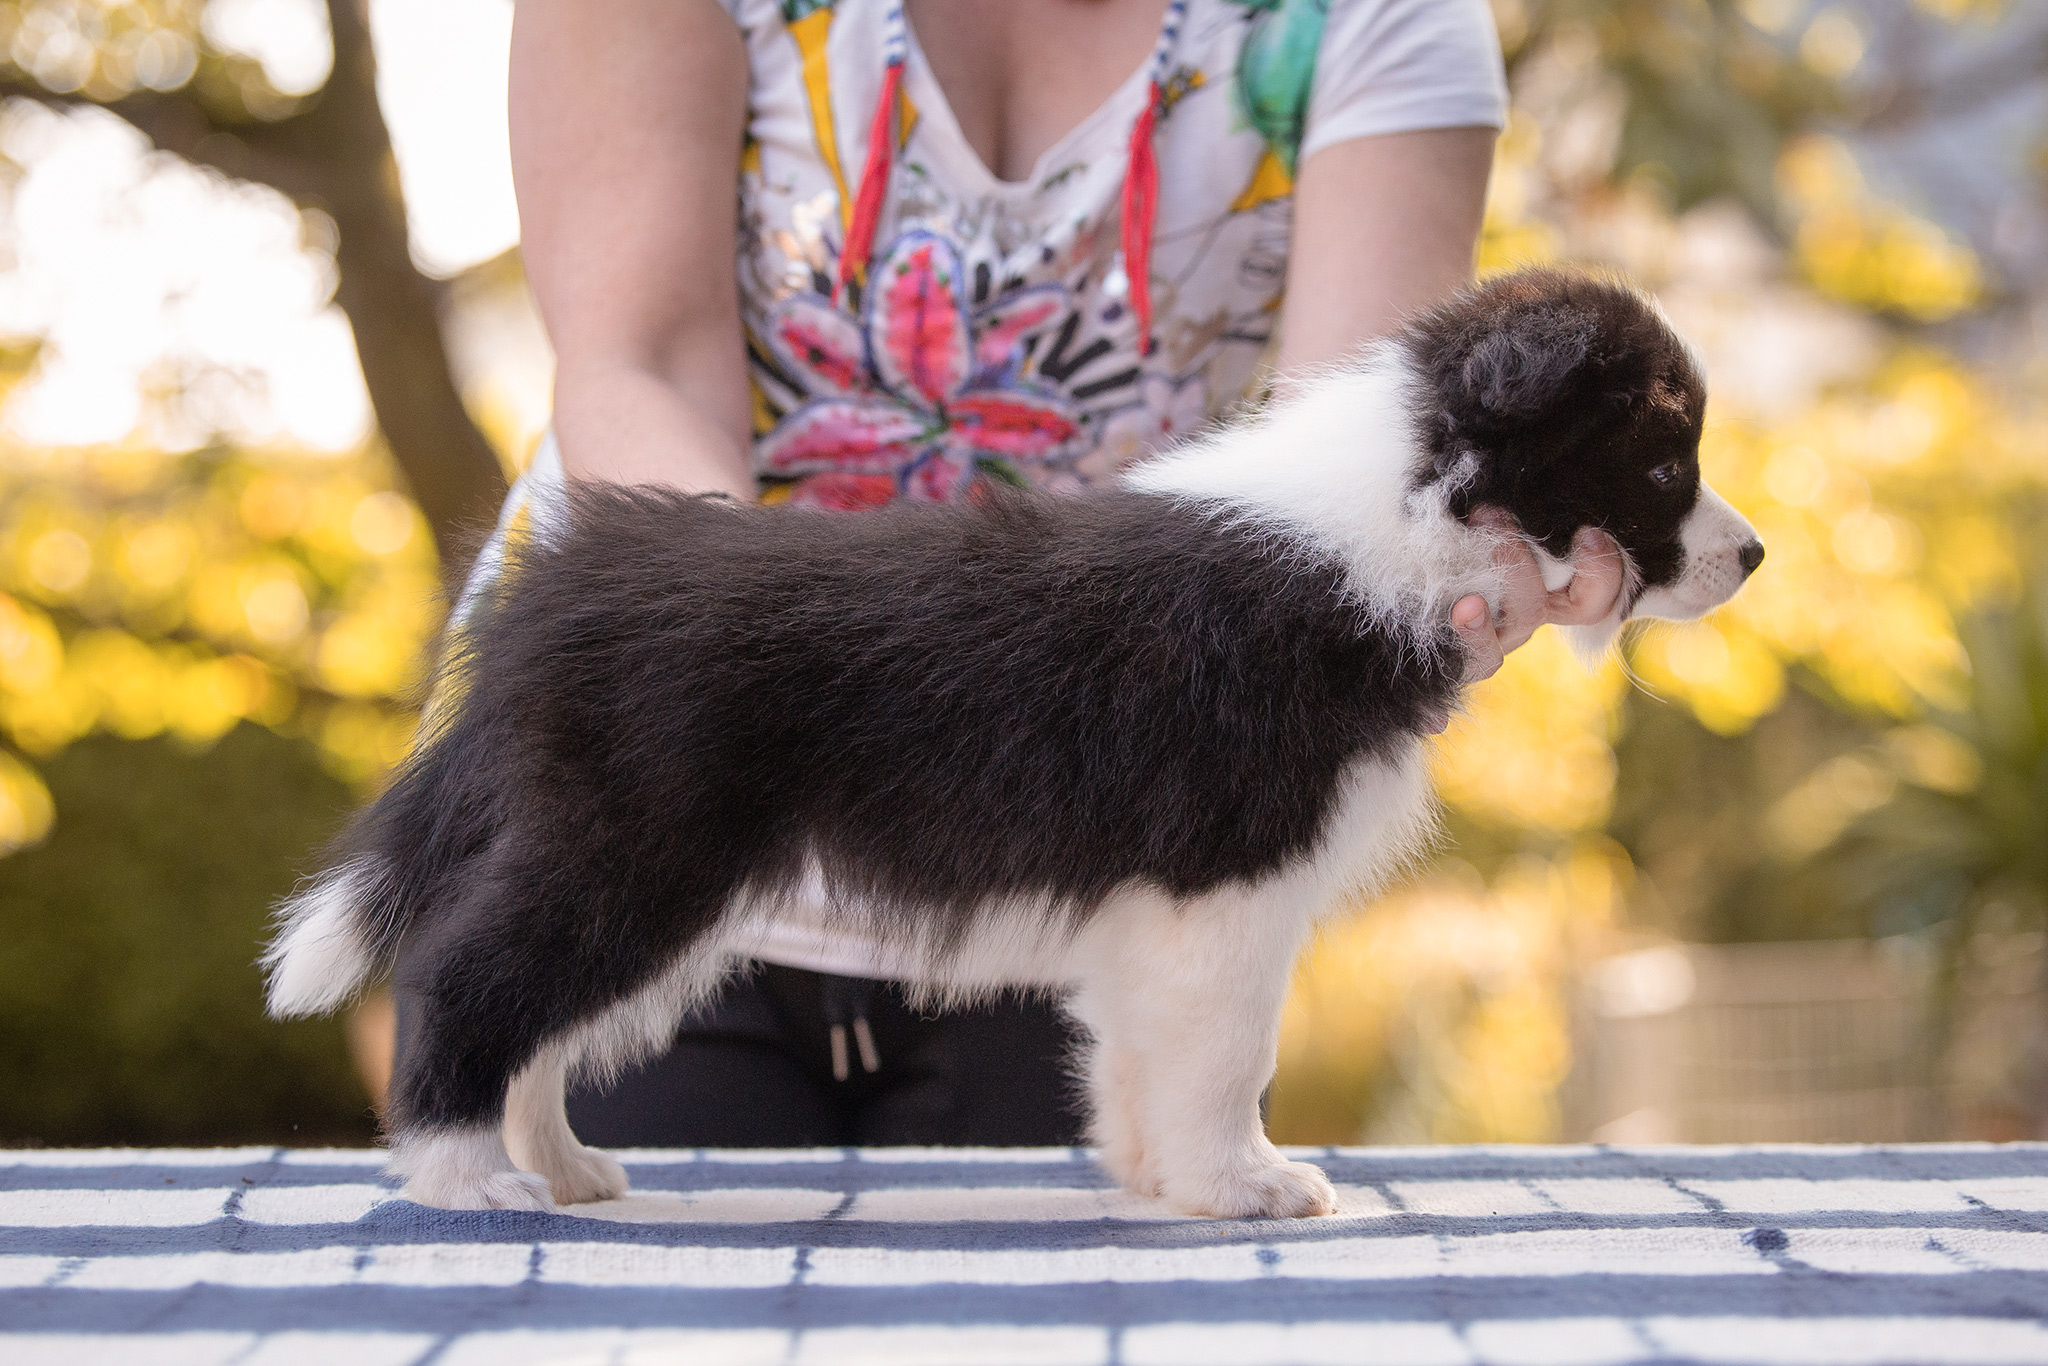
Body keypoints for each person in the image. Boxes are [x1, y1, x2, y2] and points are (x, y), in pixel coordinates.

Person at [461, 0, 1625, 1147]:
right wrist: (816, 686)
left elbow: (1353, 475)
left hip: (1080, 848)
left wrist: (1471, 562)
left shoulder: (1378, 15)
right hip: (675, 785)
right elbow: (639, 364)